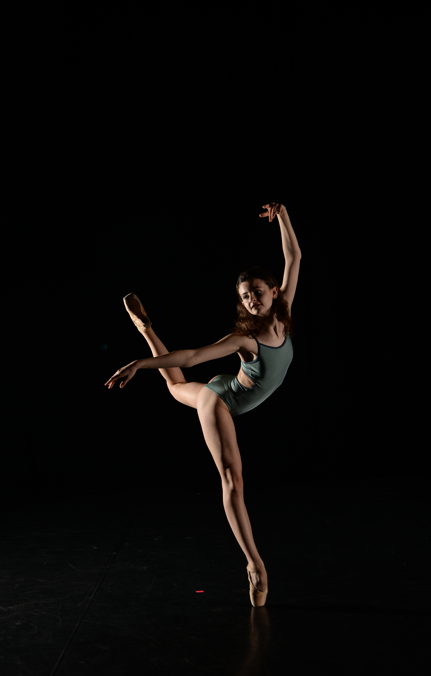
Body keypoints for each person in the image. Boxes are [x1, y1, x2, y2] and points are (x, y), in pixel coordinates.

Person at [104, 202, 302, 606]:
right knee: (232, 480)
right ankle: (254, 564)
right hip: (220, 401)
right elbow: (193, 356)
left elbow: (293, 257)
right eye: (245, 296)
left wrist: (282, 216)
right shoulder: (245, 339)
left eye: (257, 292)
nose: (252, 300)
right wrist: (139, 365)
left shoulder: (283, 314)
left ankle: (147, 329)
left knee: (175, 387)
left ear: (273, 291)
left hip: (226, 389)